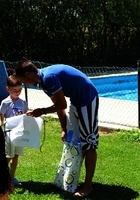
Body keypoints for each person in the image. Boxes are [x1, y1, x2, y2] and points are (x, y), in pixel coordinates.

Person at [13, 60, 99, 197]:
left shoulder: (49, 77)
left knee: (89, 143)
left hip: (87, 99)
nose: (24, 84)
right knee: (73, 140)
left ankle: (88, 186)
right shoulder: (44, 83)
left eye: (23, 81)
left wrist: (41, 111)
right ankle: (71, 179)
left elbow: (62, 104)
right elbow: (59, 105)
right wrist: (64, 129)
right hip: (76, 101)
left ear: (28, 74)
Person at [0, 75, 28, 186]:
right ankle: (1, 176)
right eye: (14, 90)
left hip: (19, 134)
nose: (17, 92)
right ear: (8, 89)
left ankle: (12, 177)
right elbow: (1, 117)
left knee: (16, 156)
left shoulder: (23, 102)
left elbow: (25, 116)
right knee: (8, 156)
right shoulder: (5, 103)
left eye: (19, 90)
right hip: (9, 134)